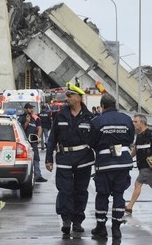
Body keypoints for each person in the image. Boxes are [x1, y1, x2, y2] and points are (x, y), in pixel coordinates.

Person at [45, 82, 95, 235]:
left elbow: (95, 140)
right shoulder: (60, 115)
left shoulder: (90, 117)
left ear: (79, 97)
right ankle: (66, 220)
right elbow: (52, 138)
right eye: (67, 96)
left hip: (84, 159)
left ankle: (78, 221)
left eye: (70, 96)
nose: (66, 98)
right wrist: (49, 159)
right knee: (65, 190)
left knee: (80, 191)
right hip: (65, 157)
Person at [90, 94, 135, 239]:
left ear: (102, 106)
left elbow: (92, 142)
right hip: (123, 163)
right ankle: (116, 228)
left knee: (102, 195)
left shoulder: (97, 121)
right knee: (119, 195)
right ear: (115, 105)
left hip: (105, 163)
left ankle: (101, 227)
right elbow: (130, 139)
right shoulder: (127, 119)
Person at [125, 114, 152, 215]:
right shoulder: (139, 135)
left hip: (148, 166)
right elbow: (135, 150)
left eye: (135, 122)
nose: (134, 123)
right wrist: (127, 159)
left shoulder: (150, 134)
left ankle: (129, 206)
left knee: (138, 184)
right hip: (142, 165)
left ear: (142, 122)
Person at [19, 103, 47, 182]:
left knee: (36, 159)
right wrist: (27, 122)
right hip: (25, 143)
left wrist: (38, 138)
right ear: (25, 109)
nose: (31, 109)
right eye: (29, 108)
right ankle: (25, 176)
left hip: (33, 142)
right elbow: (21, 129)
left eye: (32, 108)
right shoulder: (21, 118)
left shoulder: (35, 118)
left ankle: (38, 176)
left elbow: (39, 128)